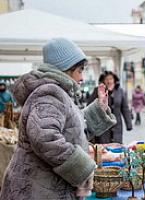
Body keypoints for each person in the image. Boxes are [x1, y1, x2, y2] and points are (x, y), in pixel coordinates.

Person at [0, 38, 117, 200]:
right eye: (80, 70)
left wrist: (99, 110)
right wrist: (83, 168)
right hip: (37, 191)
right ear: (66, 68)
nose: (82, 77)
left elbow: (69, 130)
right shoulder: (49, 93)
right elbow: (45, 138)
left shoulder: (57, 93)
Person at [88, 71, 132, 144]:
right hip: (102, 126)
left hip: (116, 126)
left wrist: (129, 124)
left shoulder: (120, 91)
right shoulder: (97, 90)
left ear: (114, 80)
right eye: (106, 79)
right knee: (103, 147)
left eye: (111, 79)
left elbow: (125, 108)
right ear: (103, 80)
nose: (109, 81)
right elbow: (89, 106)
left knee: (116, 146)